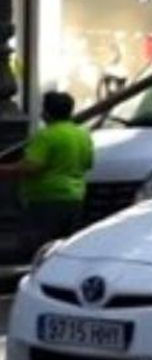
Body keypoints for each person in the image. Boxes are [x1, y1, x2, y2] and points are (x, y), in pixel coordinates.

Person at [0, 91, 95, 251]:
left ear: (46, 113)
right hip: (75, 198)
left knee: (40, 248)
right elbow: (88, 163)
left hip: (45, 200)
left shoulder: (46, 136)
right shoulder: (83, 135)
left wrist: (4, 170)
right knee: (66, 247)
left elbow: (31, 167)